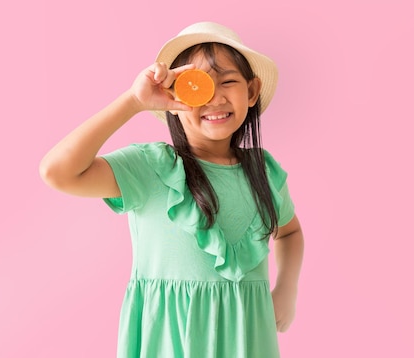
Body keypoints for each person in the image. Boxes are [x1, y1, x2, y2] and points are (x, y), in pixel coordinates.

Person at [39, 21, 304, 358]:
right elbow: (57, 171)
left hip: (248, 342)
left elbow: (290, 232)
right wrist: (134, 101)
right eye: (200, 86)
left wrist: (286, 289)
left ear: (251, 91)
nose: (216, 97)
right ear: (175, 96)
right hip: (168, 342)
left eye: (229, 82)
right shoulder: (151, 168)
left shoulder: (263, 171)